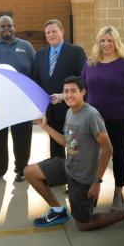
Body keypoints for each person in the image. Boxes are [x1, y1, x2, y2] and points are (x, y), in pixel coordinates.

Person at [24, 76, 124, 230]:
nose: (69, 95)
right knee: (29, 172)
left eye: (74, 91)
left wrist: (97, 182)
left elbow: (108, 150)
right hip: (68, 167)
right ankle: (58, 210)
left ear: (83, 92)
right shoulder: (70, 112)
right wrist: (45, 127)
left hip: (84, 178)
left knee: (84, 225)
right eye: (66, 91)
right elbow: (68, 143)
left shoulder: (91, 116)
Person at [81, 26, 124, 210]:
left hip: (119, 120)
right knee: (92, 156)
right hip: (93, 120)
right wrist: (63, 96)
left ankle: (117, 193)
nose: (106, 44)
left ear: (116, 42)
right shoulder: (90, 63)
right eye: (102, 40)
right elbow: (80, 86)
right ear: (98, 42)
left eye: (109, 40)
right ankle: (93, 190)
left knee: (119, 155)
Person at [0, 15, 35, 182]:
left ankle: (21, 170)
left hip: (21, 101)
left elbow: (35, 71)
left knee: (22, 138)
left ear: (14, 27)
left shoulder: (26, 47)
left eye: (9, 26)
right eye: (2, 26)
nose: (6, 29)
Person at [34, 19, 86, 158]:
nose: (51, 35)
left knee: (73, 146)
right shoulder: (40, 54)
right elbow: (37, 80)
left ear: (62, 31)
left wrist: (63, 96)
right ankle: (58, 175)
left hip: (71, 108)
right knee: (55, 145)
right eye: (48, 32)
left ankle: (75, 175)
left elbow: (82, 80)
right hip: (49, 109)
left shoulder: (76, 52)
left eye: (54, 31)